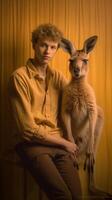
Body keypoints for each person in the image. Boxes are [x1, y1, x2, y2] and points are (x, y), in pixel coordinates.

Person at [8, 23, 82, 200]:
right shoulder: (19, 77)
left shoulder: (57, 77)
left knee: (77, 196)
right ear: (34, 44)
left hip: (58, 142)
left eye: (52, 47)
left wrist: (79, 66)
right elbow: (27, 130)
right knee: (62, 195)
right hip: (31, 143)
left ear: (57, 50)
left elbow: (75, 103)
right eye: (43, 45)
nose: (47, 51)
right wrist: (65, 144)